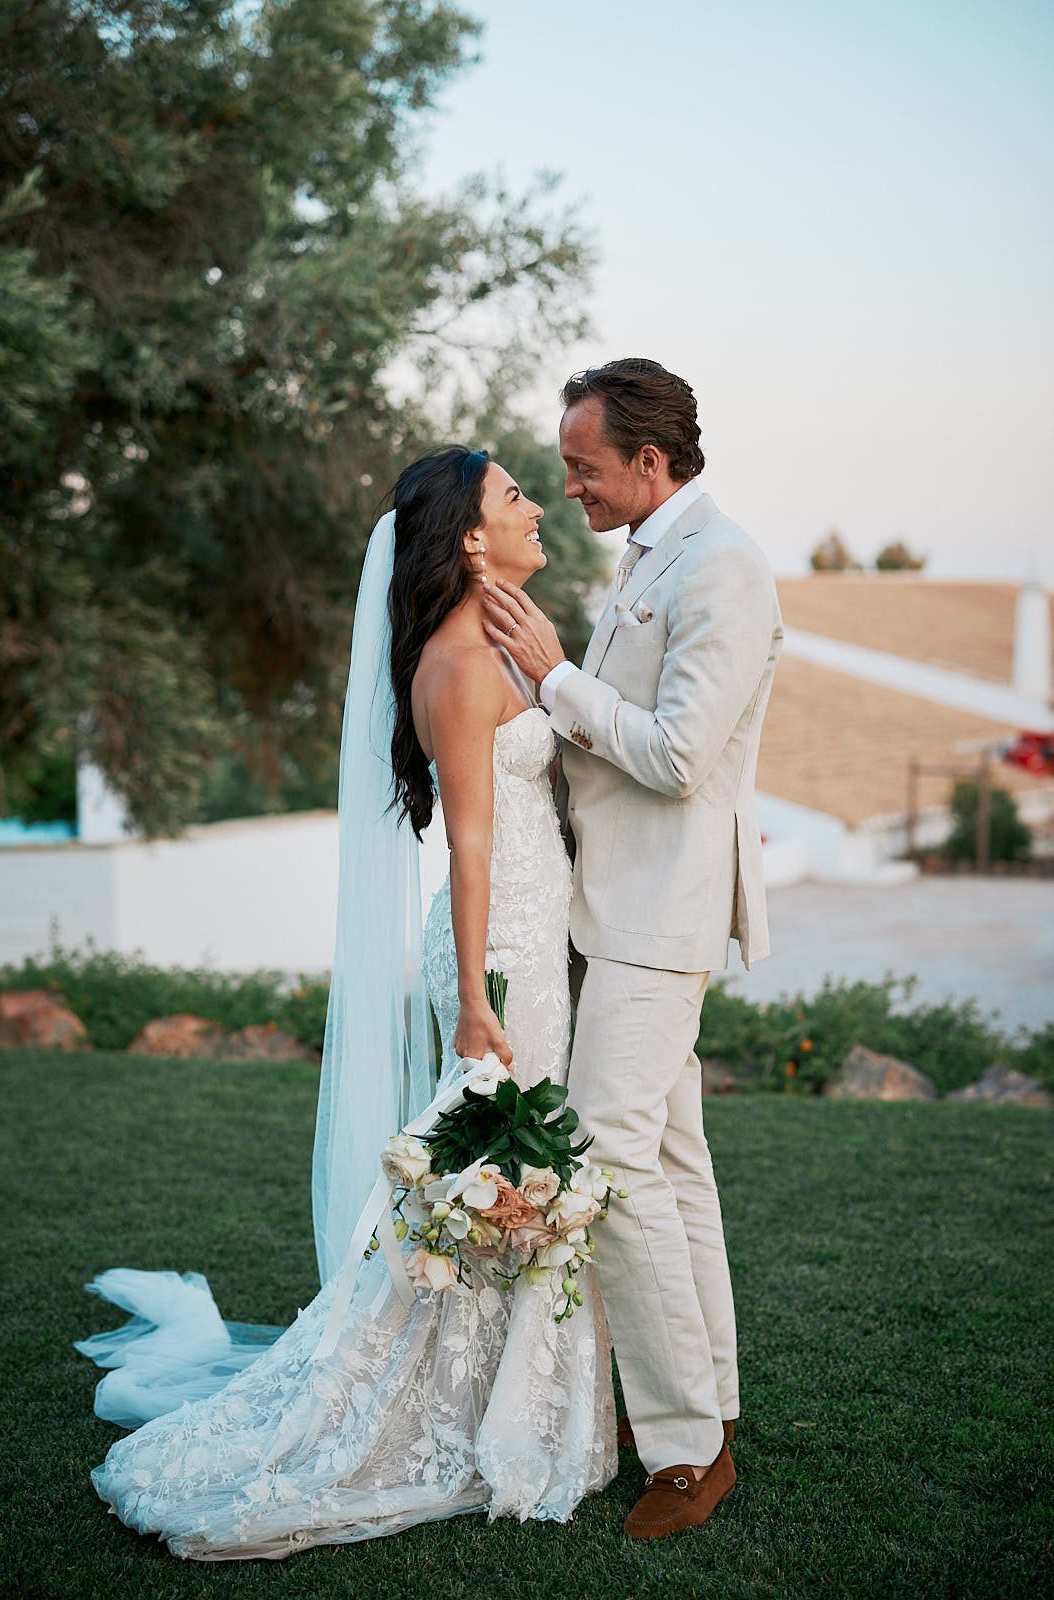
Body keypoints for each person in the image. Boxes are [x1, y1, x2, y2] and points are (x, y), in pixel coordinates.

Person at [76, 447, 615, 1560]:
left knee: (498, 1183)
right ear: (469, 536)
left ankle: (489, 1398)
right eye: (515, 493)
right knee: (499, 1179)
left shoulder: (500, 641)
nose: (534, 506)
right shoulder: (461, 669)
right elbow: (467, 842)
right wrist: (473, 995)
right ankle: (472, 1414)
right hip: (497, 948)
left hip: (516, 937)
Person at [483, 357, 783, 1541]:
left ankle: (681, 1451)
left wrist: (554, 672)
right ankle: (714, 1403)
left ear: (648, 462)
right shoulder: (649, 559)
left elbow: (674, 753)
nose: (568, 487)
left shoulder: (723, 568)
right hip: (611, 902)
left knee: (606, 1152)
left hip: (662, 912)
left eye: (584, 467)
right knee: (669, 1152)